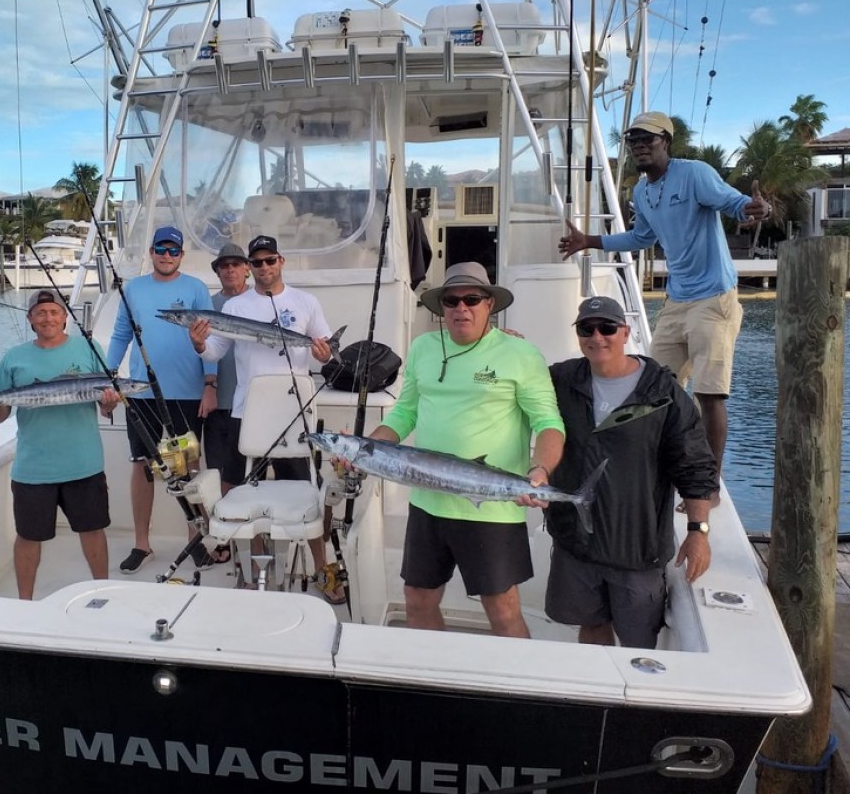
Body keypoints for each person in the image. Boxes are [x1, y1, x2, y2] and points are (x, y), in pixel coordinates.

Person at [557, 111, 770, 488]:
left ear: (665, 142)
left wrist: (754, 210)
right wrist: (590, 241)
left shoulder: (694, 174)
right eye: (633, 141)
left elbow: (733, 203)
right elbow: (641, 238)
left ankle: (706, 483)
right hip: (677, 299)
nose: (640, 146)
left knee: (710, 394)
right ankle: (659, 468)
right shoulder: (642, 191)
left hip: (714, 298)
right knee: (657, 390)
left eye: (648, 139)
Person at [361, 262, 565, 636]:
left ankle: (515, 690)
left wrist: (540, 471)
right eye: (451, 301)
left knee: (501, 609)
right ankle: (432, 679)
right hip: (428, 502)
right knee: (417, 599)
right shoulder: (422, 347)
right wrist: (367, 448)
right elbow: (405, 413)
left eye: (472, 299)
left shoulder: (520, 354)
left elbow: (549, 424)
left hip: (492, 508)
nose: (461, 308)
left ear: (490, 305)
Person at [542, 296, 716, 648]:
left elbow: (694, 464)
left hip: (636, 550)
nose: (597, 336)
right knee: (590, 628)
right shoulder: (561, 379)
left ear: (626, 331)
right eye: (586, 329)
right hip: (577, 544)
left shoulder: (662, 392)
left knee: (640, 642)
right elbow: (516, 380)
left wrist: (698, 532)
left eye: (607, 328)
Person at [188, 234, 345, 604]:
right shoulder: (236, 306)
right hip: (247, 413)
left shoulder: (305, 301)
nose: (264, 267)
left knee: (309, 496)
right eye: (256, 262)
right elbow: (215, 349)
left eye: (269, 260)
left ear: (281, 261)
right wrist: (197, 343)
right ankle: (251, 570)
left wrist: (324, 352)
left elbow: (323, 351)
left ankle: (323, 571)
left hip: (294, 415)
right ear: (250, 267)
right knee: (243, 494)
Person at [0, 289, 118, 598]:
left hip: (82, 463)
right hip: (33, 467)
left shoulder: (88, 348)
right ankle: (25, 602)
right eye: (41, 313)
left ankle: (104, 592)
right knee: (28, 537)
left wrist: (111, 403)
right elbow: (0, 415)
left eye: (54, 312)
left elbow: (105, 406)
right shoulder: (14, 357)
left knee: (92, 531)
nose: (48, 318)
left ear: (64, 317)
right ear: (30, 319)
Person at [106, 226, 217, 574]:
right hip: (140, 393)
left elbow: (208, 337)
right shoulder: (133, 289)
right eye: (161, 249)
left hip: (186, 392)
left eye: (173, 251)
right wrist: (108, 377)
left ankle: (194, 540)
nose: (166, 256)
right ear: (152, 252)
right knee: (142, 466)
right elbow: (121, 334)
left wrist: (210, 383)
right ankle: (142, 543)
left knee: (188, 466)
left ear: (181, 255)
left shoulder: (196, 289)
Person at [204, 243, 252, 497]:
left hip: (253, 405)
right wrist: (208, 387)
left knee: (255, 472)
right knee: (220, 472)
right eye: (224, 265)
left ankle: (255, 533)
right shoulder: (207, 304)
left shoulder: (260, 302)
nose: (230, 270)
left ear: (247, 269)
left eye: (236, 264)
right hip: (219, 403)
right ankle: (226, 534)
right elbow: (200, 352)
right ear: (217, 271)